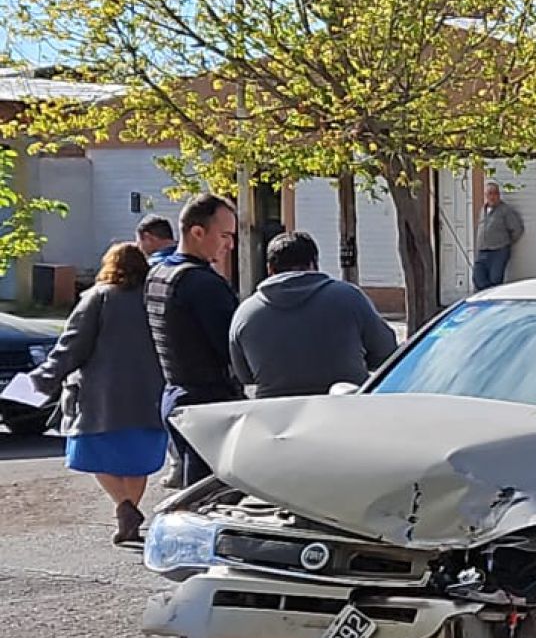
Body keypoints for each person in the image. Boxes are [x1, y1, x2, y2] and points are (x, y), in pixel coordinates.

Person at [28, 243, 168, 544]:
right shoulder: (154, 299)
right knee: (138, 460)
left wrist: (41, 380)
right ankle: (129, 514)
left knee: (90, 453)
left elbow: (71, 346)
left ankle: (124, 508)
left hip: (103, 397)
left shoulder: (97, 298)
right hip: (150, 395)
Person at [231, 231, 398, 398]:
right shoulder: (349, 298)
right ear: (314, 263)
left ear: (270, 269)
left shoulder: (245, 313)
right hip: (344, 410)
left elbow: (245, 375)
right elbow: (386, 353)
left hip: (276, 417)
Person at [146, 193, 240, 486]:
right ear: (198, 233)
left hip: (174, 396)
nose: (231, 245)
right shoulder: (204, 285)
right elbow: (233, 351)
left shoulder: (158, 274)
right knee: (209, 500)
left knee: (192, 492)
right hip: (209, 407)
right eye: (225, 235)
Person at [472, 182, 524, 290]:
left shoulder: (505, 210)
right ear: (485, 195)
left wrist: (506, 243)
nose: (492, 196)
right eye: (489, 193)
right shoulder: (483, 210)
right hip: (483, 251)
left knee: (495, 280)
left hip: (498, 251)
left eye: (495, 193)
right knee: (478, 278)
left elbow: (517, 229)